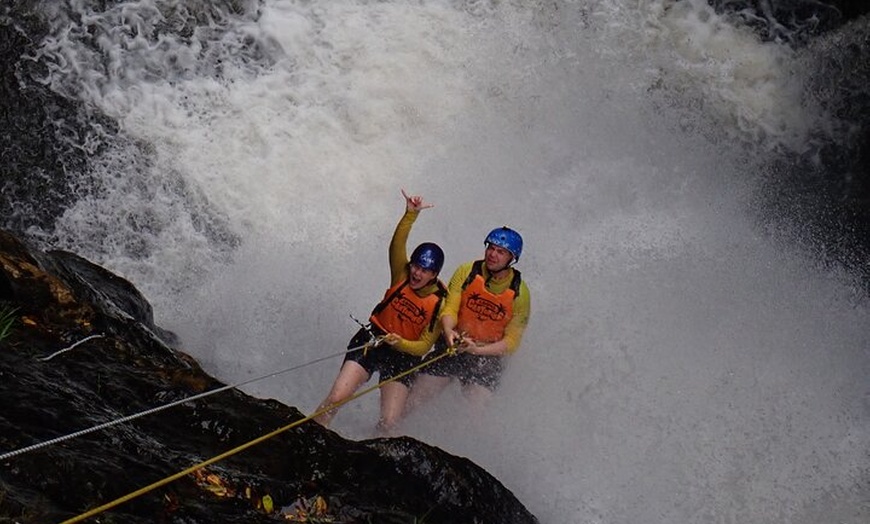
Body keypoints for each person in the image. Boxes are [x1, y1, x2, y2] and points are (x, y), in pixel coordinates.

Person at [313, 189, 447, 436]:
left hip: (403, 357)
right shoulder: (402, 274)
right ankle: (312, 433)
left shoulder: (440, 304)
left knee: (389, 424)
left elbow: (424, 346)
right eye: (416, 266)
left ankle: (367, 453)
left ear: (434, 275)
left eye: (424, 271)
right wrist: (410, 215)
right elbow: (397, 245)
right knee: (337, 397)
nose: (417, 274)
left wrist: (401, 342)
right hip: (372, 340)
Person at [406, 226, 531, 413]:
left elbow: (511, 342)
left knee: (475, 414)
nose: (492, 254)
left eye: (501, 252)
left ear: (511, 258)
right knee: (412, 401)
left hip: (487, 359)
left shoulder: (521, 294)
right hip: (453, 345)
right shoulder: (466, 271)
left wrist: (478, 349)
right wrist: (448, 331)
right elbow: (450, 308)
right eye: (491, 248)